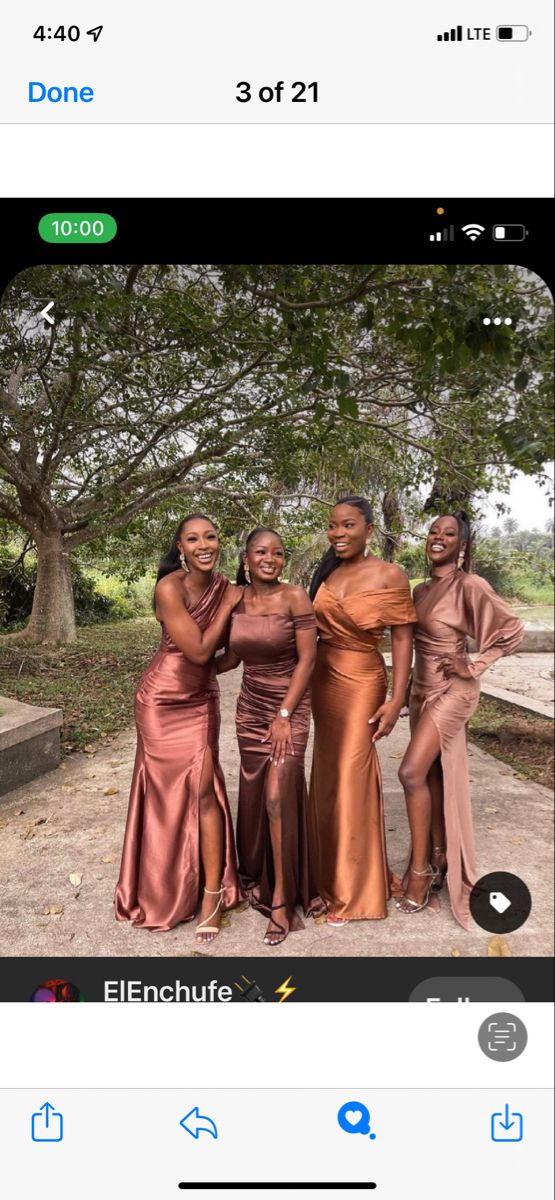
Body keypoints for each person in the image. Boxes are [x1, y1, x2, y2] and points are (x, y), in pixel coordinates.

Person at [115, 514, 244, 942]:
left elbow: (225, 655)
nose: (204, 544)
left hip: (202, 700)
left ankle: (210, 894)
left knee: (204, 791)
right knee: (164, 797)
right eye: (193, 539)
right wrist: (230, 604)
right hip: (161, 702)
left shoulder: (224, 585)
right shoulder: (169, 588)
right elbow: (199, 649)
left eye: (210, 535)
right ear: (181, 548)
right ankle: (160, 888)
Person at [397, 512, 524, 927]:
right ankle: (438, 856)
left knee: (410, 772)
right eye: (433, 531)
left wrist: (476, 661)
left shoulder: (469, 585)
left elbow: (512, 629)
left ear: (462, 545)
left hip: (452, 691)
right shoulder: (420, 589)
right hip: (420, 692)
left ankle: (420, 873)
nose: (438, 538)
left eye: (448, 534)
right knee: (431, 775)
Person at [308, 496, 416, 925]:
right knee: (329, 774)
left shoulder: (390, 575)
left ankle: (355, 893)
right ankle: (325, 874)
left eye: (348, 525)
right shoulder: (328, 574)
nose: (338, 533)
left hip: (362, 681)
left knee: (353, 776)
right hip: (324, 680)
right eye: (333, 525)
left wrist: (397, 699)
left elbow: (403, 639)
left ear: (369, 530)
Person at [217, 526, 323, 945]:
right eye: (261, 552)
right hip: (250, 708)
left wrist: (284, 714)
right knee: (257, 792)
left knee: (279, 795)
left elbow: (309, 659)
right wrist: (189, 669)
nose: (269, 559)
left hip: (289, 707)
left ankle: (282, 899)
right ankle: (257, 877)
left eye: (277, 553)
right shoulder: (236, 599)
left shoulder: (295, 596)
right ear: (245, 559)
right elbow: (233, 656)